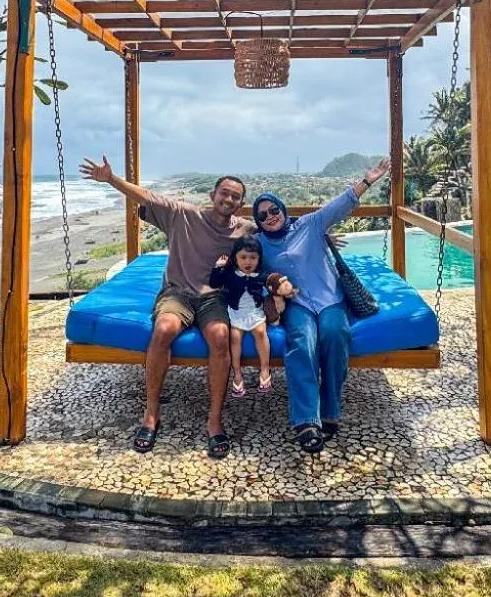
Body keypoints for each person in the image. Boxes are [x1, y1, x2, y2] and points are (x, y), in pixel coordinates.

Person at [78, 156, 247, 459]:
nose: (229, 199)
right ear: (213, 195)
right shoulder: (184, 215)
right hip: (178, 292)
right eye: (225, 193)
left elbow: (281, 229)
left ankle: (214, 419)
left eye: (236, 196)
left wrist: (320, 235)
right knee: (164, 329)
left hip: (213, 298)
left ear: (239, 203)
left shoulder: (243, 229)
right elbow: (147, 197)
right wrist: (112, 179)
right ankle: (152, 412)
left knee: (221, 337)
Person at [254, 159, 390, 455]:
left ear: (282, 209)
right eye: (263, 215)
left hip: (329, 297)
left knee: (334, 334)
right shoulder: (259, 244)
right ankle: (306, 420)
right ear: (259, 221)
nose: (270, 217)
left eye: (274, 210)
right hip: (298, 304)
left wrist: (369, 180)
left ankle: (330, 409)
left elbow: (340, 205)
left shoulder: (310, 224)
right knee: (301, 344)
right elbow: (243, 262)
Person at [209, 235, 290, 399]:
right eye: (243, 257)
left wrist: (281, 287)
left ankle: (265, 370)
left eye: (253, 257)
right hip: (236, 312)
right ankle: (237, 374)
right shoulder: (230, 273)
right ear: (235, 258)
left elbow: (274, 281)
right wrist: (219, 267)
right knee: (235, 336)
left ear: (259, 259)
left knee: (261, 333)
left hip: (255, 311)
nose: (248, 262)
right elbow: (213, 283)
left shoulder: (261, 274)